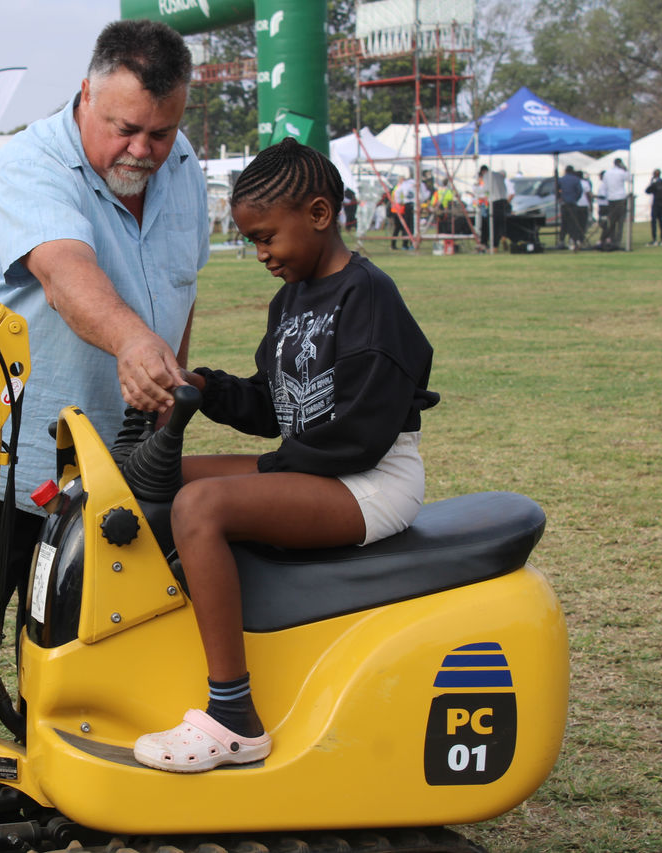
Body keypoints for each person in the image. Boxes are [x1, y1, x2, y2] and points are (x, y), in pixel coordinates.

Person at [0, 18, 208, 821]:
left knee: (82, 634)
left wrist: (165, 386)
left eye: (162, 131)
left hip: (110, 459)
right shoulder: (28, 162)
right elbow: (67, 273)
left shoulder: (188, 171)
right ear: (85, 98)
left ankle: (50, 783)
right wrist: (134, 340)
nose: (143, 149)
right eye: (125, 128)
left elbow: (180, 288)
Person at [131, 139, 438, 773]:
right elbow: (278, 407)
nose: (261, 254)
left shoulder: (369, 298)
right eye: (251, 241)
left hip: (369, 480)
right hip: (316, 461)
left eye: (267, 237)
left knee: (200, 506)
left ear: (320, 214)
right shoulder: (292, 299)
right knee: (158, 484)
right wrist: (208, 387)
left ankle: (233, 716)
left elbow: (361, 434)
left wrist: (272, 469)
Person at [479, 165, 511, 251]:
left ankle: (494, 246)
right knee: (501, 222)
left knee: (493, 225)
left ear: (482, 172)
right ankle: (503, 236)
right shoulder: (499, 175)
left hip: (495, 202)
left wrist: (477, 192)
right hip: (504, 201)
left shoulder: (486, 176)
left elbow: (486, 189)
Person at [600, 159, 630, 250]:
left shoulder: (607, 173)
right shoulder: (621, 172)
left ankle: (612, 239)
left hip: (610, 199)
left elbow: (604, 187)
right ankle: (617, 241)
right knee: (620, 222)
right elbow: (630, 179)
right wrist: (626, 169)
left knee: (612, 222)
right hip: (620, 199)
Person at [558, 164, 586, 250]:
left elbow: (556, 190)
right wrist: (575, 199)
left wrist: (560, 198)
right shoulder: (576, 179)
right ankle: (573, 240)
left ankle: (561, 241)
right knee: (573, 223)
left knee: (564, 223)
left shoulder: (561, 179)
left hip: (564, 204)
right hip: (573, 204)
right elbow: (580, 191)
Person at [645, 168, 662, 246]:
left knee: (654, 222)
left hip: (656, 205)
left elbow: (647, 191)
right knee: (661, 222)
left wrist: (651, 182)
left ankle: (654, 239)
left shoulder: (655, 184)